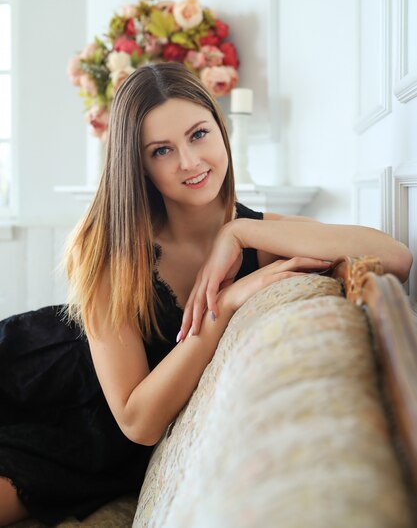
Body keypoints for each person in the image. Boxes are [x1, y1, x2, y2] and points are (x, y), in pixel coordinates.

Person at [0, 62, 412, 527]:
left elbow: (394, 256)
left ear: (221, 128)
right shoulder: (112, 251)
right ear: (138, 166)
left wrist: (235, 232)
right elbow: (137, 418)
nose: (189, 162)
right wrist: (224, 307)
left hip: (95, 450)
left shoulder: (257, 235)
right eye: (161, 150)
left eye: (198, 134)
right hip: (34, 383)